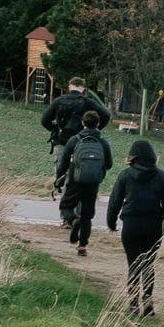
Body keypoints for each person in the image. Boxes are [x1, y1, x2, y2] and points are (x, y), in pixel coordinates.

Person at [106, 138, 164, 316]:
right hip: (153, 225)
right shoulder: (162, 176)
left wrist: (111, 221)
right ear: (153, 156)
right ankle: (148, 300)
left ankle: (133, 303)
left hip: (131, 224)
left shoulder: (125, 175)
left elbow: (115, 201)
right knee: (149, 264)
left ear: (132, 156)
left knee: (134, 264)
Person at [55, 110, 112, 257]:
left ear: (83, 123)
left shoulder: (75, 140)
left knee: (66, 206)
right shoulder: (103, 142)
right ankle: (82, 247)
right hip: (93, 182)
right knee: (87, 215)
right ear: (98, 124)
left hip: (75, 180)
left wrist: (59, 179)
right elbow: (109, 164)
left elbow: (63, 162)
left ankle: (74, 221)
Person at [40, 76, 109, 197]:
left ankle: (61, 190)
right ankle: (78, 194)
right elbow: (106, 115)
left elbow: (44, 120)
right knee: (80, 168)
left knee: (61, 167)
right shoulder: (87, 102)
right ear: (82, 88)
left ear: (69, 86)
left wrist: (54, 129)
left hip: (62, 140)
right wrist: (94, 130)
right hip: (81, 141)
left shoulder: (59, 101)